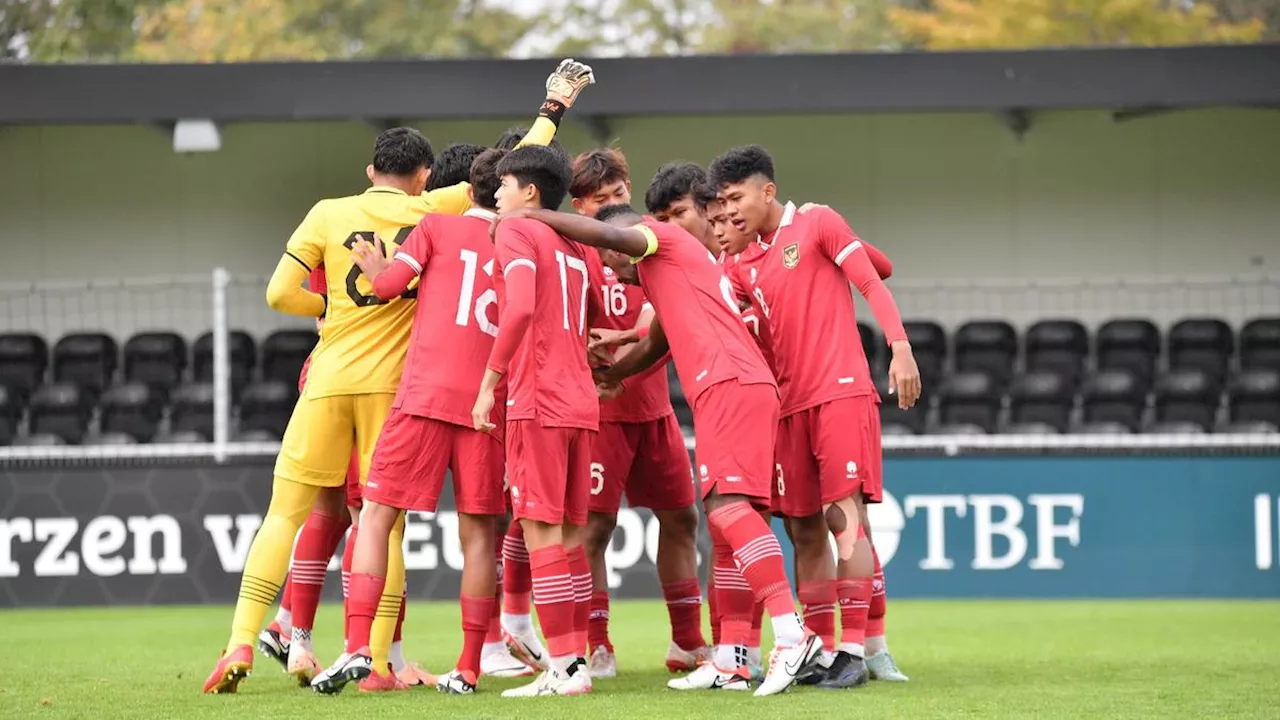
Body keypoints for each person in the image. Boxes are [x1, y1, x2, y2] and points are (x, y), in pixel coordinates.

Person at [201, 58, 595, 695]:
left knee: (325, 514)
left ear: (370, 172)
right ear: (425, 178)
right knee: (447, 532)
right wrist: (551, 110)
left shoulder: (352, 214)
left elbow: (295, 291)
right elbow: (518, 167)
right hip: (443, 394)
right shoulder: (461, 218)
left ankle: (271, 639)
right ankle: (430, 661)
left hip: (351, 381)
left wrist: (339, 297)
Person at [491, 203, 822, 698]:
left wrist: (534, 215)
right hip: (727, 385)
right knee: (723, 517)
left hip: (729, 380)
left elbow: (606, 231)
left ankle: (792, 634)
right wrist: (610, 375)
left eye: (609, 255)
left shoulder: (656, 239)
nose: (608, 266)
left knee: (730, 509)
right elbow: (657, 343)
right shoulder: (666, 275)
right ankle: (732, 659)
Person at [709, 144, 918, 687]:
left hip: (839, 393)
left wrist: (899, 347)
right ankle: (824, 650)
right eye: (721, 205)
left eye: (736, 199)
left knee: (844, 521)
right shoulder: (739, 265)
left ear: (767, 191)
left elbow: (874, 280)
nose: (729, 212)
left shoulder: (818, 222)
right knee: (804, 530)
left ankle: (858, 649)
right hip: (788, 407)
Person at [309, 148, 511, 696]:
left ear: (468, 191)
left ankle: (357, 649)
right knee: (477, 538)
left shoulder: (436, 228)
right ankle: (470, 665)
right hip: (487, 408)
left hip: (423, 397)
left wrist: (376, 268)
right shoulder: (521, 244)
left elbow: (387, 287)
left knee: (375, 517)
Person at [566, 149, 708, 679]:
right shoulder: (576, 253)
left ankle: (689, 644)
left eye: (618, 194)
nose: (612, 206)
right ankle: (595, 643)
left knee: (682, 519)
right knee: (595, 528)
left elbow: (660, 317)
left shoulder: (650, 240)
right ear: (579, 205)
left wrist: (624, 355)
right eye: (599, 200)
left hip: (654, 409)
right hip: (600, 412)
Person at [471, 145, 600, 698]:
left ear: (529, 191)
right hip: (581, 403)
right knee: (569, 539)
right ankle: (577, 664)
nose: (495, 195)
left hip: (539, 399)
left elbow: (520, 307)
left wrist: (489, 384)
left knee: (543, 534)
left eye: (503, 184)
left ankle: (564, 669)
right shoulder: (576, 243)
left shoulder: (517, 232)